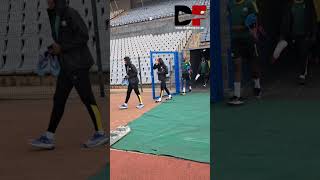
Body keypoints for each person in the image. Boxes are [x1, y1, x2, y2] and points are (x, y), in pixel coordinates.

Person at [31, 0, 108, 149]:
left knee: (87, 99)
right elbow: (63, 40)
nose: (47, 1)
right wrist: (53, 49)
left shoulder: (70, 13)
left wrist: (62, 47)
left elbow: (84, 35)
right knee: (58, 99)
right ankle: (49, 136)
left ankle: (100, 133)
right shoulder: (56, 15)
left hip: (78, 65)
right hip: (67, 67)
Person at [228, 0, 262, 105]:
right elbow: (229, 17)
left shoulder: (249, 3)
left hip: (248, 39)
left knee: (253, 65)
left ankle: (257, 86)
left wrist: (253, 32)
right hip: (235, 40)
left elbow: (255, 20)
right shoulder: (230, 4)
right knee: (237, 65)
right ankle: (237, 95)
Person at [278, 0, 317, 84]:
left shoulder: (308, 3)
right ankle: (304, 66)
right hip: (293, 35)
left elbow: (313, 18)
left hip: (305, 34)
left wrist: (313, 34)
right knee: (297, 53)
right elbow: (285, 20)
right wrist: (282, 34)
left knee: (303, 52)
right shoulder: (289, 4)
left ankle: (302, 75)